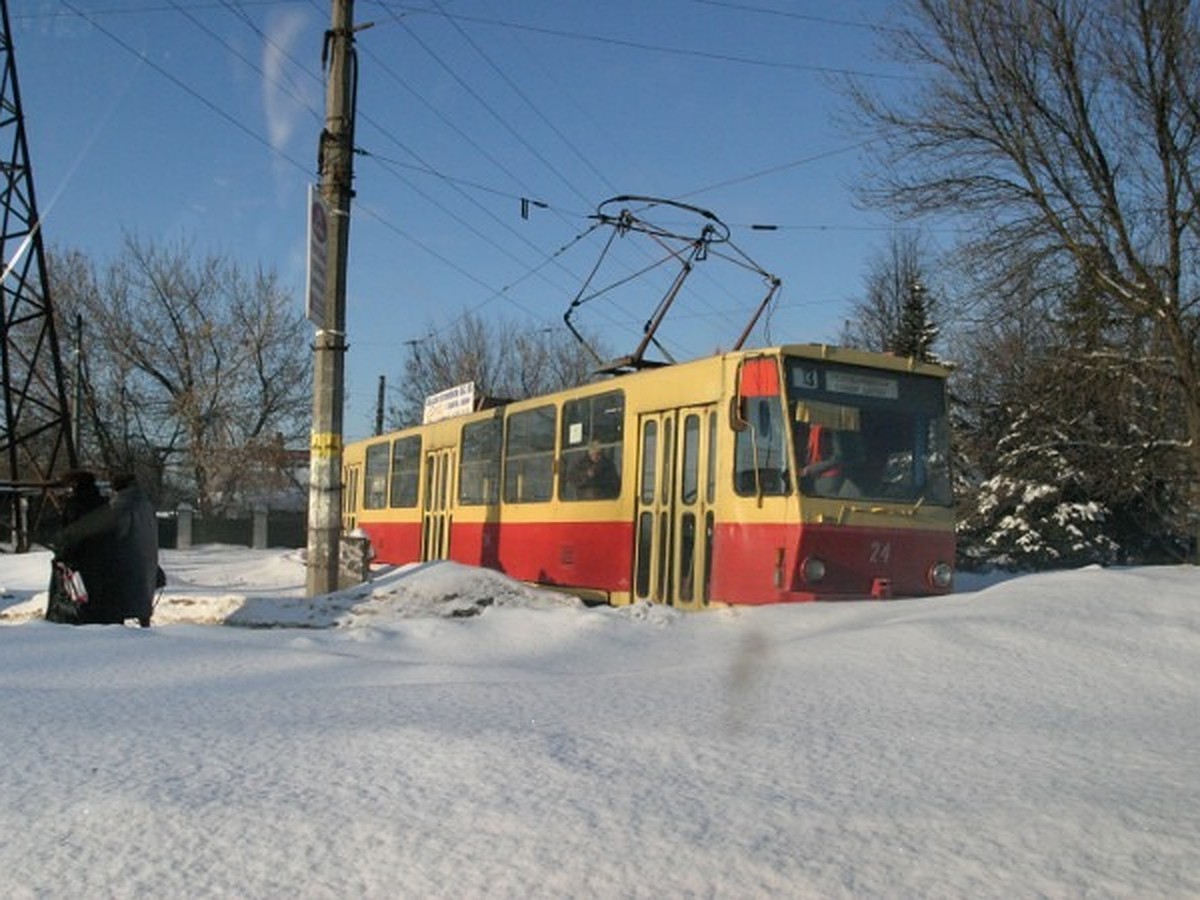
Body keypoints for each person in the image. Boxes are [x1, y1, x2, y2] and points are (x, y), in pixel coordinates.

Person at [57, 471, 159, 627]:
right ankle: (143, 626)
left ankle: (120, 630)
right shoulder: (145, 502)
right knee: (140, 601)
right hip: (145, 557)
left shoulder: (121, 504)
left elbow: (116, 533)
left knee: (117, 602)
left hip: (122, 559)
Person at [46, 470, 119, 624]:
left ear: (74, 486)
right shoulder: (104, 505)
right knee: (98, 602)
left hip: (80, 562)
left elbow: (70, 536)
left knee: (75, 599)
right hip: (104, 561)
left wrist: (61, 557)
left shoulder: (74, 505)